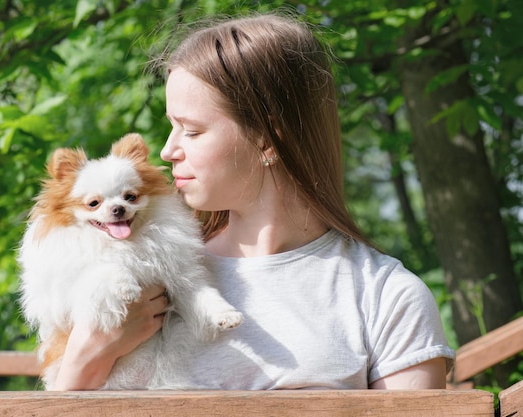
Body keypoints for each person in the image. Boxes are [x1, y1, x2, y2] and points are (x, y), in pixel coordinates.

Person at [52, 12, 455, 391]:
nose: (168, 150)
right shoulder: (140, 275)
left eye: (190, 131)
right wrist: (88, 353)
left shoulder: (385, 295)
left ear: (268, 139)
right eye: (170, 127)